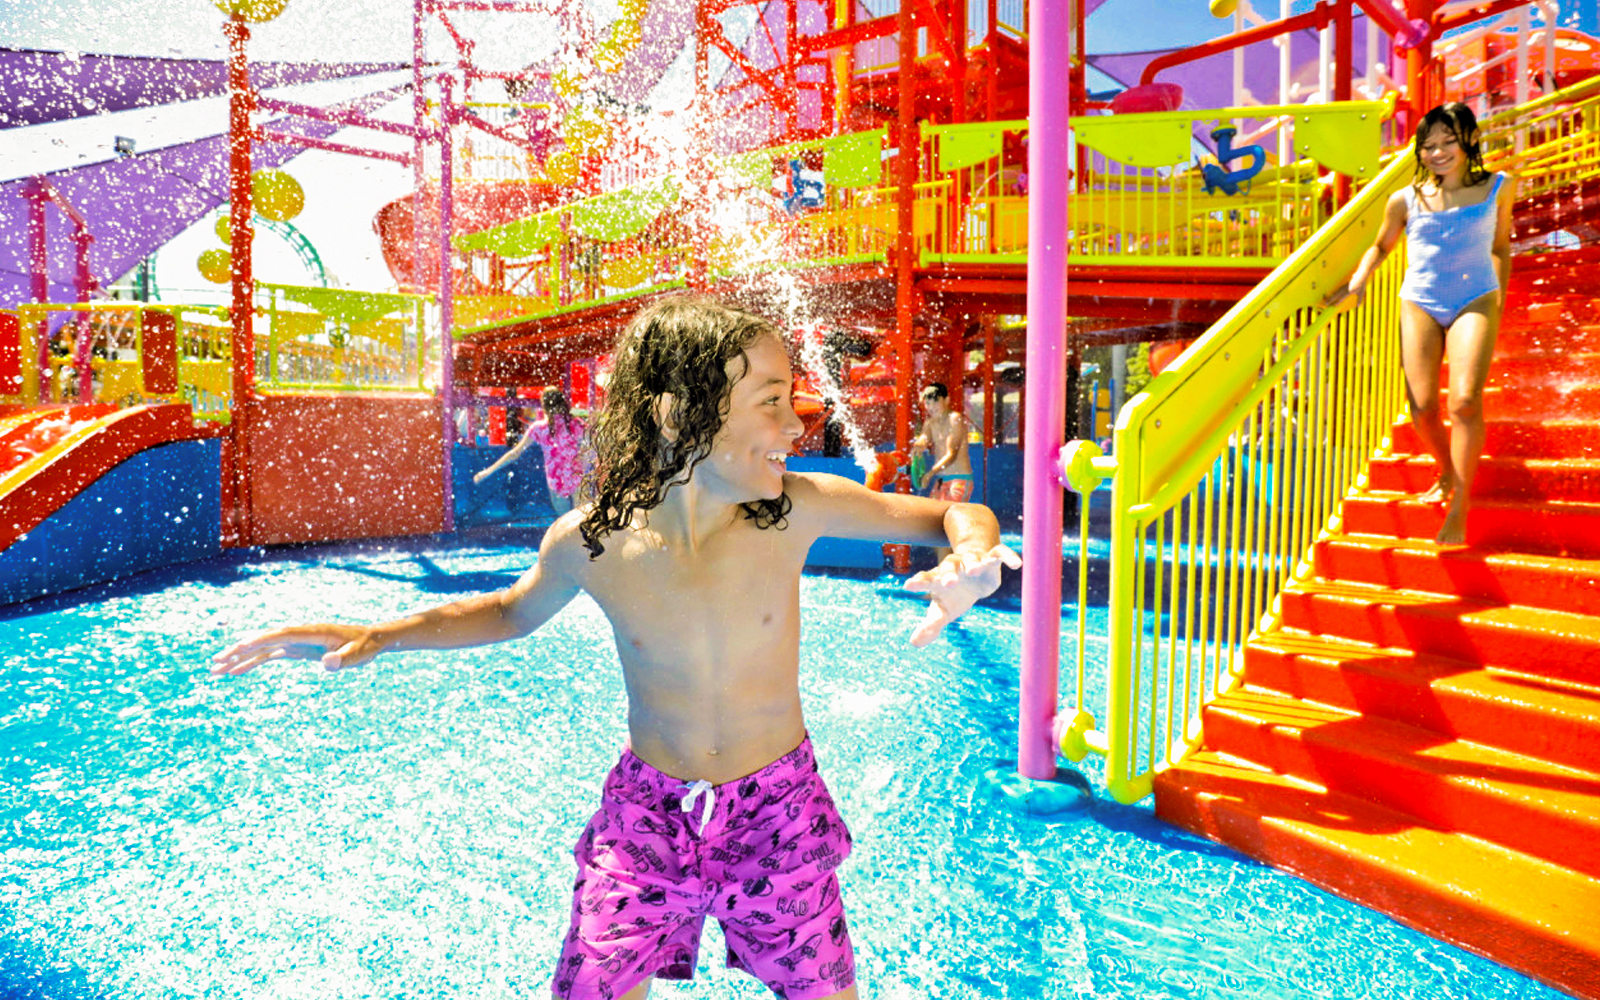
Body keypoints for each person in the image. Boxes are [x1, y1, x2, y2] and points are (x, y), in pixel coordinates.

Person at [212, 296, 1021, 1000]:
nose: (795, 421)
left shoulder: (795, 508)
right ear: (678, 414)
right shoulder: (592, 541)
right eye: (770, 402)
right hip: (646, 820)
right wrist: (378, 634)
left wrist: (973, 559)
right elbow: (506, 613)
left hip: (777, 810)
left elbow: (948, 515)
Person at [1325, 102, 1513, 546]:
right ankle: (1447, 470)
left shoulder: (1499, 187)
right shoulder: (1405, 199)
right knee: (1422, 408)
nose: (1439, 152)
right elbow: (1380, 247)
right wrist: (1358, 282)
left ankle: (1461, 504)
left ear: (1469, 141)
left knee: (1465, 401)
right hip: (1420, 302)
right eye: (1429, 145)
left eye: (1449, 142)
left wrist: (1499, 299)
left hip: (1476, 298)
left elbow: (1502, 247)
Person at [475, 387, 588, 515]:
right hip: (577, 475)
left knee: (565, 524)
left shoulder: (539, 429)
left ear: (544, 406)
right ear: (563, 403)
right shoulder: (576, 424)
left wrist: (488, 471)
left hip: (557, 480)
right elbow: (592, 446)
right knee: (583, 520)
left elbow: (514, 454)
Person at [910, 382, 976, 562]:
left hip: (959, 480)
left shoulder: (955, 419)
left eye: (935, 402)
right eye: (928, 403)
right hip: (942, 481)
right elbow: (924, 436)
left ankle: (945, 578)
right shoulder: (930, 422)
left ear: (947, 400)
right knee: (932, 527)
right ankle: (959, 563)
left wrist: (929, 474)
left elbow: (951, 454)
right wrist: (920, 444)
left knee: (944, 528)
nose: (931, 407)